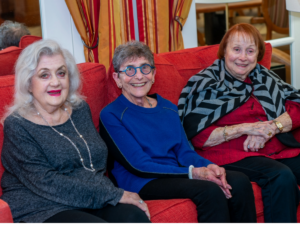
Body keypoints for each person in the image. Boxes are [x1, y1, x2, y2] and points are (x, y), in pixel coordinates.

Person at [100, 40, 257, 223]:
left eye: (145, 68)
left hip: (177, 172)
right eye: (129, 70)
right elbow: (139, 165)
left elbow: (184, 152)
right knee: (209, 190)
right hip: (142, 181)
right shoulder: (111, 115)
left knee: (239, 181)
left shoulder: (168, 108)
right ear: (117, 78)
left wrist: (208, 166)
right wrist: (194, 173)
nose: (139, 76)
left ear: (153, 74)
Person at [0, 39, 150, 223]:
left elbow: (96, 165)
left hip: (91, 199)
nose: (55, 82)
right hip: (43, 207)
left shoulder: (80, 110)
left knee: (134, 216)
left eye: (61, 73)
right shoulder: (18, 125)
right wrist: (114, 194)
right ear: (29, 83)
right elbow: (47, 183)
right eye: (44, 75)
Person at [178, 23, 300, 222]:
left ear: (258, 54)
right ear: (224, 51)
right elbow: (196, 133)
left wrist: (272, 127)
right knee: (281, 176)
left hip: (272, 147)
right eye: (236, 49)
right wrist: (245, 128)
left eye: (250, 51)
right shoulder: (206, 83)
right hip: (230, 153)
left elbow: (297, 104)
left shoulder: (264, 77)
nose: (243, 57)